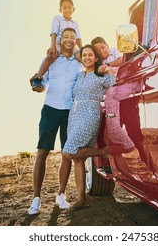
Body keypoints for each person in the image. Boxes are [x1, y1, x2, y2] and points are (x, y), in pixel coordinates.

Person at [28, 28, 83, 215]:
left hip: (70, 112)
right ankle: (36, 199)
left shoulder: (79, 63)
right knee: (42, 151)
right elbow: (42, 85)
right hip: (50, 109)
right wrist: (38, 86)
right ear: (61, 39)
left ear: (76, 41)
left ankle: (61, 195)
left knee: (66, 154)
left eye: (72, 37)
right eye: (65, 37)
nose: (69, 40)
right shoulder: (52, 59)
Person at [61, 44, 116, 211]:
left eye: (90, 55)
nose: (86, 58)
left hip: (90, 113)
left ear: (96, 58)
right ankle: (81, 198)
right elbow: (76, 54)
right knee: (78, 158)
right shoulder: (79, 76)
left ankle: (103, 152)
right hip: (75, 115)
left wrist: (110, 71)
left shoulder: (101, 74)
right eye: (84, 55)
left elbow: (116, 84)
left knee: (68, 152)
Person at [32, 0, 82, 92]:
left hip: (72, 45)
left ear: (73, 9)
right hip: (59, 43)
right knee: (51, 57)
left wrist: (83, 50)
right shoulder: (57, 18)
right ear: (60, 10)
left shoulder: (75, 23)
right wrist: (53, 46)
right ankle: (38, 77)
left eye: (69, 7)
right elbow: (54, 32)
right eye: (64, 8)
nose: (67, 10)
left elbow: (78, 37)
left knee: (82, 57)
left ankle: (94, 76)